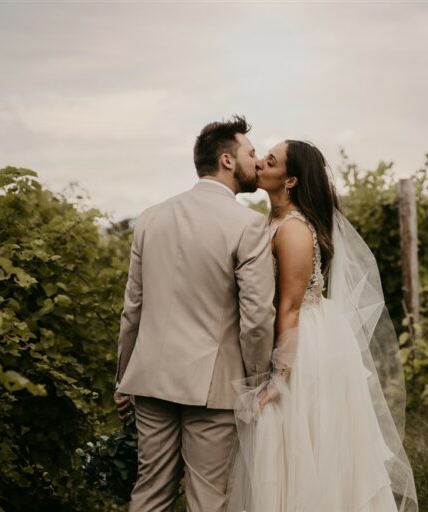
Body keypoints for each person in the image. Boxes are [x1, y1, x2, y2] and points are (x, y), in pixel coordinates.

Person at [226, 140, 418, 512]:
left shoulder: (294, 229)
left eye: (271, 161)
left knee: (302, 438)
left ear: (291, 180)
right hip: (290, 333)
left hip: (305, 344)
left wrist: (279, 377)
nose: (260, 163)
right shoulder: (272, 221)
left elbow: (290, 306)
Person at [113, 115, 276, 512]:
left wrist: (123, 378)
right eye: (251, 153)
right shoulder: (249, 225)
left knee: (149, 493)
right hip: (213, 387)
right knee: (207, 499)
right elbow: (257, 317)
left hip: (150, 379)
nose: (257, 162)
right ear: (226, 160)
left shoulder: (151, 218)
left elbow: (133, 307)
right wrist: (256, 384)